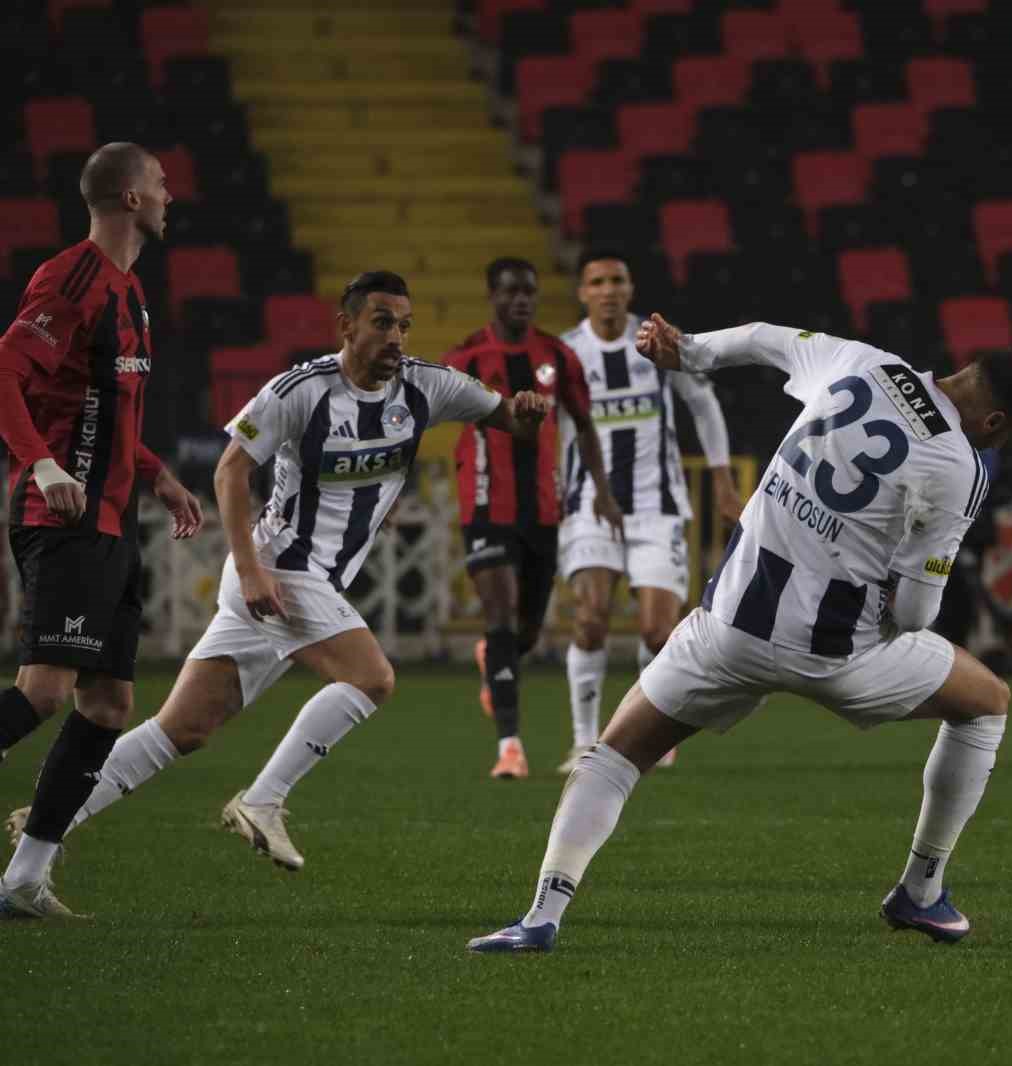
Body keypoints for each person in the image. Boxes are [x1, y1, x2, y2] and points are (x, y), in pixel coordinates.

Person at [467, 316, 1012, 953]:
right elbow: (913, 612)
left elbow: (764, 338)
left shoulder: (861, 361)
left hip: (729, 629)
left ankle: (541, 917)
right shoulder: (961, 466)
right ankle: (920, 889)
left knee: (613, 756)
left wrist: (687, 353)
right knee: (987, 703)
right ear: (994, 425)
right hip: (839, 655)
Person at [6, 271, 554, 905]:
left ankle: (46, 823)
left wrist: (529, 411)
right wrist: (248, 567)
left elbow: (510, 419)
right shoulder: (301, 390)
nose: (395, 337)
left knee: (179, 730)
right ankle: (264, 800)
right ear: (346, 326)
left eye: (403, 324)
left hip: (296, 585)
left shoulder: (427, 386)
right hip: (280, 570)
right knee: (372, 678)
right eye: (381, 322)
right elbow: (231, 470)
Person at [0, 143, 204, 919]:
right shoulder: (75, 278)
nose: (168, 195)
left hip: (116, 523)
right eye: (158, 183)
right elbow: (5, 371)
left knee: (109, 703)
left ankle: (23, 880)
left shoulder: (131, 292)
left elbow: (107, 411)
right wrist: (45, 467)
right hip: (67, 521)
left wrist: (157, 473)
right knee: (46, 691)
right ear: (128, 199)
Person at [556, 252, 741, 772]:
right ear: (582, 293)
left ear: (631, 289)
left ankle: (646, 734)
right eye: (597, 282)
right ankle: (583, 741)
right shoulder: (566, 353)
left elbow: (704, 406)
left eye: (617, 280)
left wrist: (724, 484)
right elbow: (548, 420)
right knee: (590, 620)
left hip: (657, 506)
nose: (608, 290)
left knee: (659, 633)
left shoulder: (655, 343)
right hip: (590, 505)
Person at [444, 257, 620, 779]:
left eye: (529, 292)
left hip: (543, 508)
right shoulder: (466, 357)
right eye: (511, 291)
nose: (521, 300)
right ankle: (510, 747)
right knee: (500, 615)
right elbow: (421, 415)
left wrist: (603, 492)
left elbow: (585, 425)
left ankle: (494, 659)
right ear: (491, 296)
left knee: (526, 632)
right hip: (484, 503)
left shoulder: (557, 356)